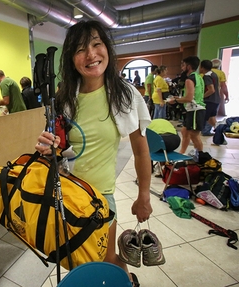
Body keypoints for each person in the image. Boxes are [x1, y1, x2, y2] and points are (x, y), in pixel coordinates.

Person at [35, 20, 153, 285]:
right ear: (71, 59)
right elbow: (58, 146)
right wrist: (47, 148)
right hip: (68, 196)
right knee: (77, 260)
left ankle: (125, 282)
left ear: (107, 49)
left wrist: (143, 196)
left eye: (96, 44)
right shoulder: (65, 97)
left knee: (104, 260)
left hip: (101, 198)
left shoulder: (124, 95)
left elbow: (141, 151)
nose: (90, 55)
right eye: (80, 49)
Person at [168, 56, 205, 154]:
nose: (182, 68)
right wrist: (178, 98)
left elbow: (189, 98)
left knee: (194, 135)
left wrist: (176, 101)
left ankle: (201, 158)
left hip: (195, 110)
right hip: (193, 109)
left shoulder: (189, 79)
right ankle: (182, 152)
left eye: (183, 65)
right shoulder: (199, 77)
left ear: (189, 66)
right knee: (184, 131)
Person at [199, 60, 219, 136]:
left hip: (209, 100)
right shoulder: (214, 74)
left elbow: (211, 90)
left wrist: (202, 97)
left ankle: (197, 138)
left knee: (203, 119)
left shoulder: (207, 76)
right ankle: (220, 131)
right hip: (216, 100)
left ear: (202, 68)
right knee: (211, 118)